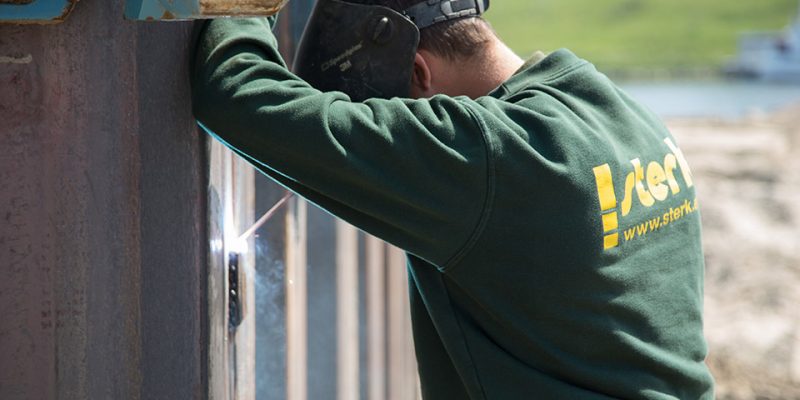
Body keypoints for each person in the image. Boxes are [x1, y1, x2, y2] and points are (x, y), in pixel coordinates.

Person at [191, 0, 715, 398]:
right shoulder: (622, 114)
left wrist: (242, 7)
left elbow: (235, 93)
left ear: (417, 73)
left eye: (385, 112)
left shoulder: (486, 156)